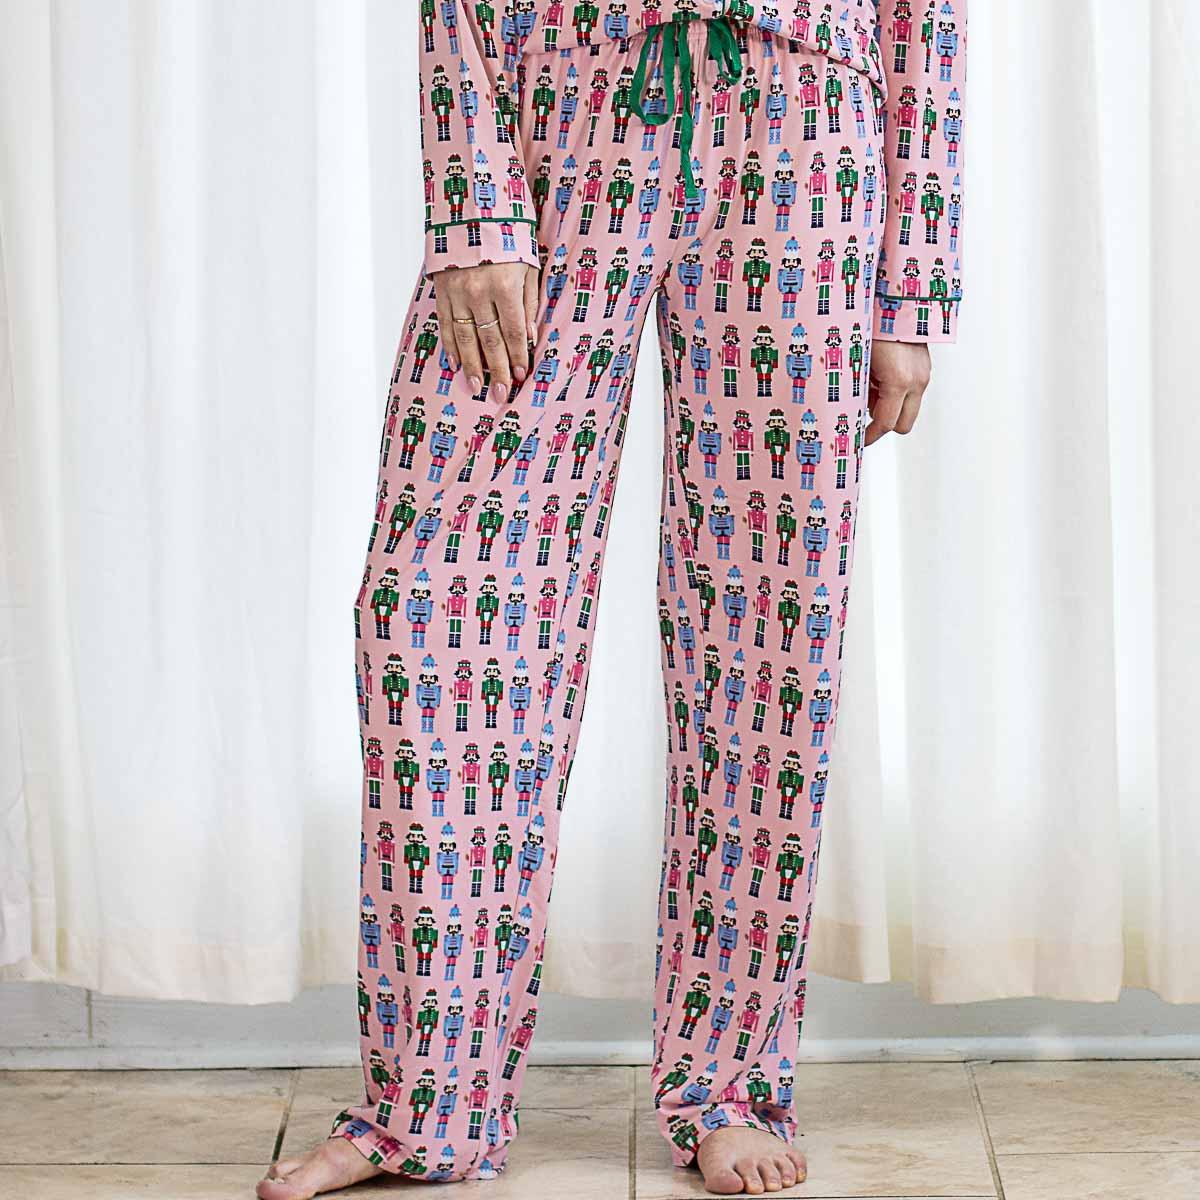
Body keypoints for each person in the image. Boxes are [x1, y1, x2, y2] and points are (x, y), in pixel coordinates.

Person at [258, 1, 966, 1196]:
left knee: (769, 637)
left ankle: (728, 1084)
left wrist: (914, 283)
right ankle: (428, 1102)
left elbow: (929, 18)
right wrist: (474, 205)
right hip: (562, 96)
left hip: (805, 128)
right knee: (440, 611)